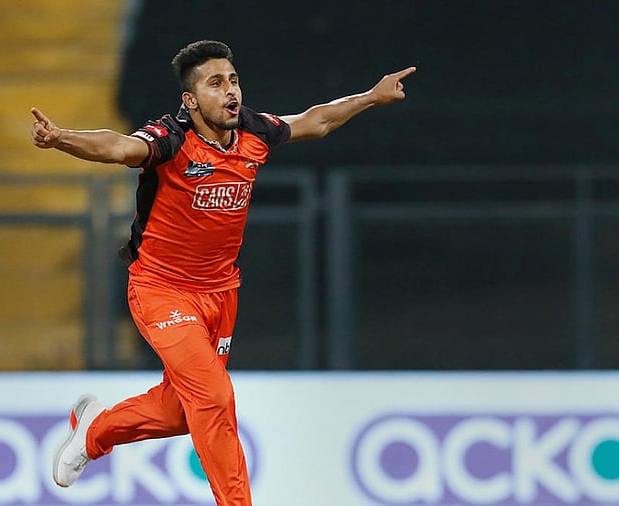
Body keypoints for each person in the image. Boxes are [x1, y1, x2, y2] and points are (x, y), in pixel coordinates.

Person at [32, 40, 415, 505]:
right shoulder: (169, 140)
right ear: (190, 101)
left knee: (179, 412)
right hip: (161, 291)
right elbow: (117, 147)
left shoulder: (253, 131)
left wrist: (371, 97)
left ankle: (96, 431)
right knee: (213, 397)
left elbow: (315, 121)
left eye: (233, 80)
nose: (231, 91)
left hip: (220, 294)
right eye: (216, 84)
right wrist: (61, 138)